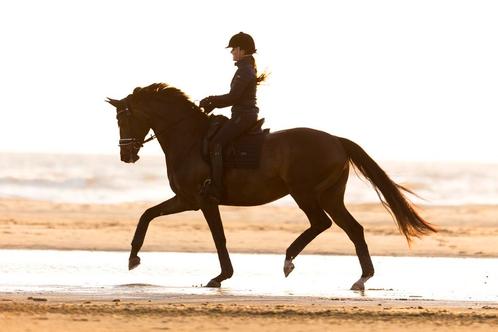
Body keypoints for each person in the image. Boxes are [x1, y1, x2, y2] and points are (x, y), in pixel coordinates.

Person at [199, 32, 266, 203]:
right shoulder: (247, 68)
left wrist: (211, 100)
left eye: (233, 49)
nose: (231, 53)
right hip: (242, 114)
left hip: (243, 116)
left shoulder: (245, 70)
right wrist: (213, 103)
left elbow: (233, 97)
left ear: (241, 50)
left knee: (216, 143)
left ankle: (216, 187)